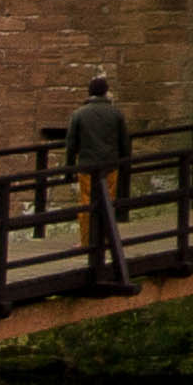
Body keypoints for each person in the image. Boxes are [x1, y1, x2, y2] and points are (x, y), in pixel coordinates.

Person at [61, 74, 133, 283]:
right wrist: (125, 163)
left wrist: (68, 168)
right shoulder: (116, 114)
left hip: (87, 166)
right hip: (110, 166)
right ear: (105, 92)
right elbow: (124, 142)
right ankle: (106, 239)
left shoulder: (79, 114)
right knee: (108, 203)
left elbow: (71, 143)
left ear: (89, 92)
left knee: (86, 202)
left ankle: (86, 241)